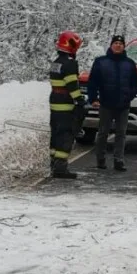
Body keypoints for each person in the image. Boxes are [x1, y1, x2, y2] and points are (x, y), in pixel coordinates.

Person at [87, 34, 137, 172]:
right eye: (115, 43)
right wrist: (93, 98)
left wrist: (129, 96)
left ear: (124, 46)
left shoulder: (129, 64)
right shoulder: (101, 62)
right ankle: (101, 160)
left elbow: (136, 83)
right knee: (103, 133)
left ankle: (119, 160)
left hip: (123, 105)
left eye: (121, 44)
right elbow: (93, 82)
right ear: (111, 45)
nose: (118, 45)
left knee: (121, 134)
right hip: (106, 104)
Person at [48, 31, 86, 179]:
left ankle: (53, 164)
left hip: (55, 104)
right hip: (65, 106)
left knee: (56, 135)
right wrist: (80, 100)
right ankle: (60, 168)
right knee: (66, 135)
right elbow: (71, 85)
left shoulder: (56, 62)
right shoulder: (69, 63)